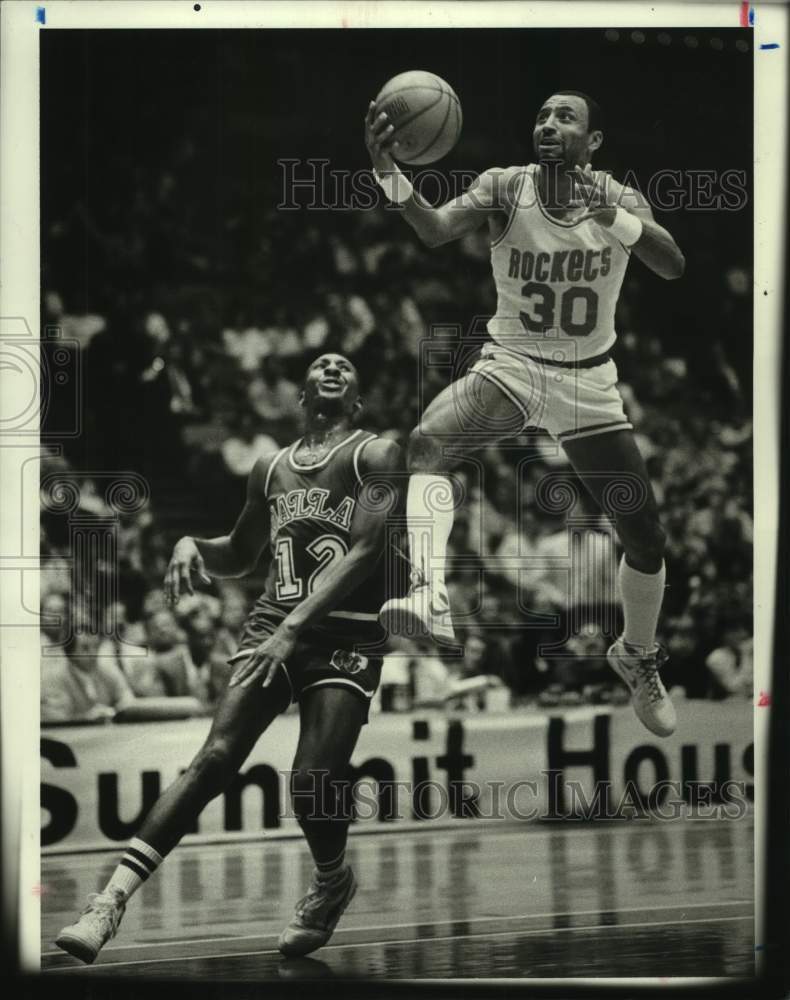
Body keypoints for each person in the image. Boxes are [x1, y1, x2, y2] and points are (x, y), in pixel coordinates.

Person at [55, 353, 404, 963]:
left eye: (345, 366)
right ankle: (108, 902)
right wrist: (193, 543)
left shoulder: (376, 454)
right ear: (300, 395)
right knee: (213, 759)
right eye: (320, 364)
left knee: (312, 780)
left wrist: (294, 628)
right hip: (275, 623)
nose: (331, 367)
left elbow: (369, 549)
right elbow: (242, 554)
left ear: (356, 399)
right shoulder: (269, 469)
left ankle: (331, 882)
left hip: (341, 632)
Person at [365, 90, 685, 738]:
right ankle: (427, 590)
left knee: (644, 534)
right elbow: (432, 230)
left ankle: (637, 654)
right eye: (541, 115)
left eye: (566, 117)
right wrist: (387, 171)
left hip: (588, 382)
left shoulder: (619, 199)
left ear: (592, 142)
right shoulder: (504, 188)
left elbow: (673, 265)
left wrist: (613, 217)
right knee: (426, 444)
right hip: (513, 365)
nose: (548, 124)